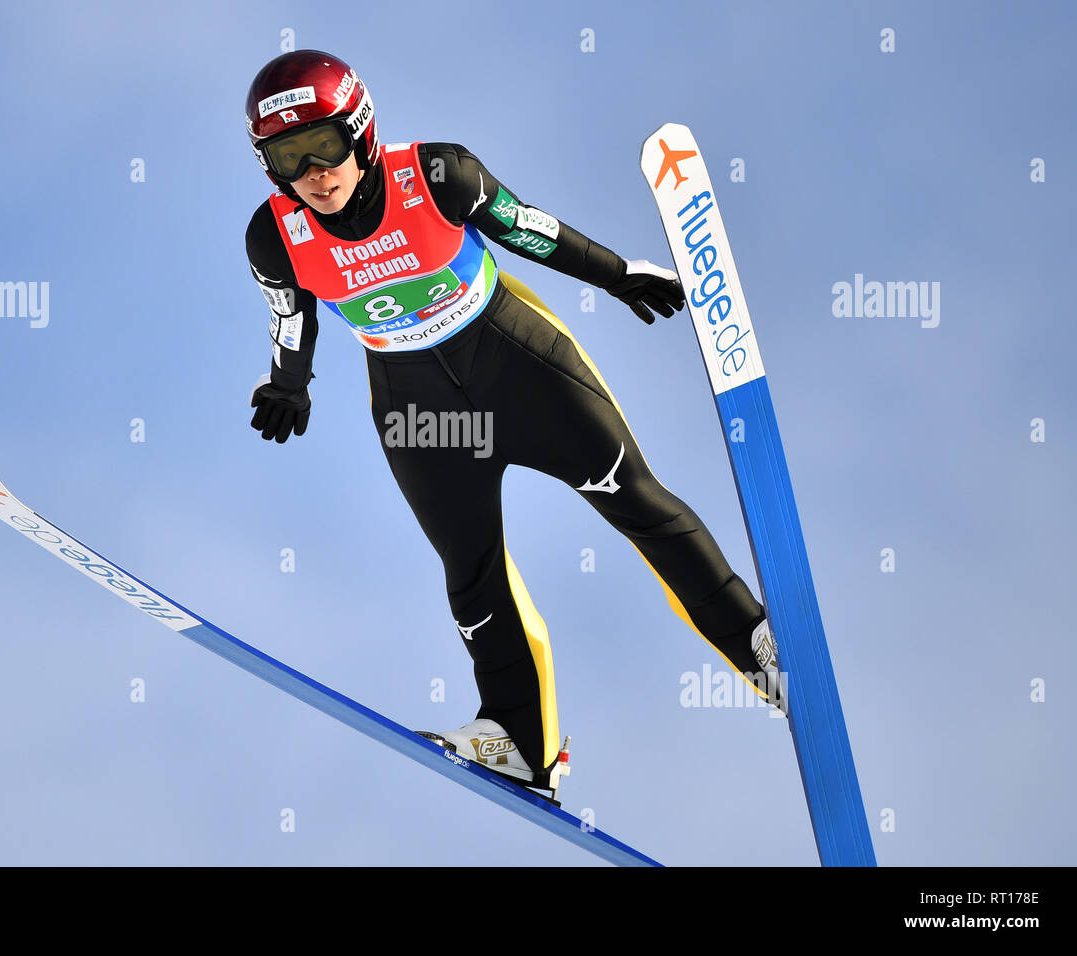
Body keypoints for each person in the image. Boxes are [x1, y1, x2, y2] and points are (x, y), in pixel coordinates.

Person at [243, 50, 780, 798]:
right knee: (469, 570)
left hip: (517, 362)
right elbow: (291, 319)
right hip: (416, 405)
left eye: (323, 147)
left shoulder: (436, 176)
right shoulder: (274, 235)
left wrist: (618, 275)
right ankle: (520, 741)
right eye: (286, 158)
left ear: (360, 132)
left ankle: (761, 649)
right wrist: (289, 387)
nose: (312, 173)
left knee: (635, 499)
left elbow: (531, 230)